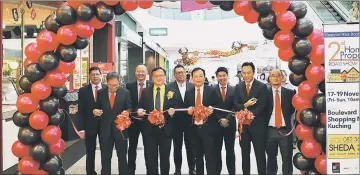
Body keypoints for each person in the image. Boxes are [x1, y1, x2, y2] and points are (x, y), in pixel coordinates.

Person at [137, 67, 176, 175]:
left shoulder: (172, 91)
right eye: (156, 76)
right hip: (149, 130)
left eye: (161, 75)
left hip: (166, 130)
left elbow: (176, 108)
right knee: (150, 159)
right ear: (151, 77)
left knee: (165, 158)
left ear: (164, 77)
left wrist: (172, 114)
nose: (158, 78)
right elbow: (140, 107)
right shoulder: (146, 91)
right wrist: (139, 110)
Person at [93, 72, 132, 175]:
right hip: (105, 130)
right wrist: (95, 112)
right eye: (110, 85)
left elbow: (129, 107)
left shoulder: (125, 92)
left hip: (120, 130)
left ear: (119, 82)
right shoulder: (101, 92)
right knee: (105, 156)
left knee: (122, 156)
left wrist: (127, 112)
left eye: (116, 85)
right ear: (106, 82)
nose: (113, 87)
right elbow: (97, 108)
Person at [233, 62, 268, 175]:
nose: (246, 75)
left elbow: (262, 106)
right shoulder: (238, 87)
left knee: (260, 155)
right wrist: (245, 106)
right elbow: (235, 105)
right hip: (243, 128)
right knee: (244, 154)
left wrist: (250, 114)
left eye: (248, 73)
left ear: (254, 72)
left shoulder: (262, 86)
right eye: (243, 73)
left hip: (258, 127)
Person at [184, 67, 217, 175]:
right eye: (196, 76)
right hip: (194, 130)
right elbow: (185, 109)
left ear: (204, 77)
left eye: (200, 76)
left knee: (210, 157)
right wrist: (187, 112)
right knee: (197, 158)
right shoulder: (188, 92)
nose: (198, 78)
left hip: (208, 130)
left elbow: (217, 107)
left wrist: (213, 109)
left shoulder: (211, 90)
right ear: (192, 78)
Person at [266, 69, 296, 175]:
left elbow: (292, 110)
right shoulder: (264, 93)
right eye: (273, 75)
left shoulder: (289, 93)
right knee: (271, 159)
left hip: (285, 131)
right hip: (270, 131)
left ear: (282, 77)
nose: (276, 77)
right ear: (269, 78)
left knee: (287, 158)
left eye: (279, 75)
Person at [78, 66, 107, 175]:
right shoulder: (83, 90)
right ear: (89, 76)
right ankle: (90, 172)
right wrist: (81, 129)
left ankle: (105, 171)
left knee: (105, 150)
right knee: (90, 151)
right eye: (92, 74)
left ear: (101, 75)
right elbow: (81, 110)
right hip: (89, 125)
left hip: (104, 125)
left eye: (97, 74)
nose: (95, 76)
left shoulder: (107, 88)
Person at [168, 65, 195, 175]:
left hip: (190, 122)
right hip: (175, 122)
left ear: (186, 73)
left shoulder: (192, 86)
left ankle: (192, 169)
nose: (180, 74)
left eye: (182, 72)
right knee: (177, 147)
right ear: (174, 75)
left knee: (191, 146)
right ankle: (177, 170)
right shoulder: (169, 87)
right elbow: (166, 103)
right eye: (178, 72)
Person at [126, 64, 153, 175]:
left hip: (148, 121)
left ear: (147, 72)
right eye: (138, 71)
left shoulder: (152, 84)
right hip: (133, 121)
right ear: (135, 72)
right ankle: (131, 170)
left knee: (148, 146)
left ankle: (150, 170)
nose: (140, 73)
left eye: (143, 71)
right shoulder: (129, 85)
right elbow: (127, 101)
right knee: (132, 146)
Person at [212, 67, 236, 175]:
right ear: (217, 77)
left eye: (224, 75)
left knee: (230, 151)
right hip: (216, 125)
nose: (222, 78)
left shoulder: (234, 89)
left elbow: (235, 106)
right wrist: (220, 119)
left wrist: (227, 119)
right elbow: (211, 107)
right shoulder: (211, 90)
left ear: (227, 76)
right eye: (219, 76)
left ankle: (232, 172)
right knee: (216, 152)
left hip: (230, 125)